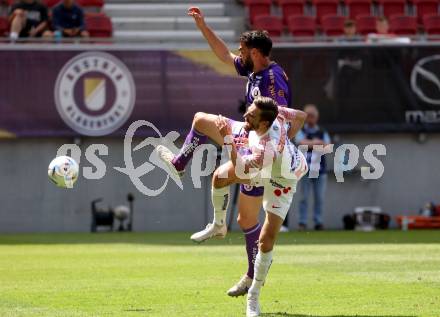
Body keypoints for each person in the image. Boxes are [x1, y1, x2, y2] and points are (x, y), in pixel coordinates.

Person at [157, 97, 308, 317]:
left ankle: (253, 295)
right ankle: (218, 224)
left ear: (264, 124)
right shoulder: (278, 114)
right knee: (217, 171)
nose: (246, 114)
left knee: (267, 241)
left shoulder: (267, 149)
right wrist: (284, 134)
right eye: (249, 110)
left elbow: (241, 167)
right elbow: (302, 116)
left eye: (252, 115)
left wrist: (228, 138)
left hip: (281, 180)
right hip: (262, 155)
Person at [182, 6, 291, 297]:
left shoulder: (272, 79)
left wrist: (268, 152)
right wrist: (203, 26)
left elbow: (282, 118)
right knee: (203, 124)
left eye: (242, 49)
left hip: (260, 149)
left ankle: (251, 274)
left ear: (255, 52)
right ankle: (218, 224)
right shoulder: (254, 69)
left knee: (244, 216)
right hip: (248, 135)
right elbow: (223, 55)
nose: (238, 53)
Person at [295, 104, 331, 230]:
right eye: (308, 116)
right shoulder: (301, 131)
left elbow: (328, 148)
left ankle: (318, 222)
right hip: (305, 170)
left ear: (317, 117)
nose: (311, 119)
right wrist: (317, 143)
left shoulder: (322, 132)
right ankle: (302, 222)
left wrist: (314, 144)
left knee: (319, 198)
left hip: (320, 171)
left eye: (313, 116)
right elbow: (301, 144)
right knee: (303, 197)